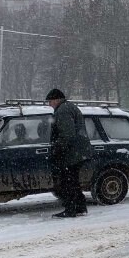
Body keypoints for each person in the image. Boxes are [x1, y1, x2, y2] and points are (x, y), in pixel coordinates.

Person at [46, 88, 92, 218]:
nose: (50, 104)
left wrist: (57, 149)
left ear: (56, 100)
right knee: (74, 181)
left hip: (71, 153)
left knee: (67, 182)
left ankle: (70, 209)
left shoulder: (63, 111)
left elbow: (67, 135)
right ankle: (80, 207)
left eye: (50, 101)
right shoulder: (70, 107)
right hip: (78, 151)